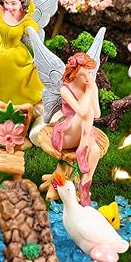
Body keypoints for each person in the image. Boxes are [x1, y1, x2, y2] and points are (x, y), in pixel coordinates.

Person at [51, 52, 101, 205]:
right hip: (67, 135)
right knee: (86, 112)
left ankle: (85, 184)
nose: (88, 78)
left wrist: (93, 91)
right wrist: (89, 91)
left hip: (84, 131)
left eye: (90, 73)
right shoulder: (65, 89)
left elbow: (97, 114)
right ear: (74, 74)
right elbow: (82, 111)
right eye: (82, 75)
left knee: (95, 150)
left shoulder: (91, 85)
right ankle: (82, 148)